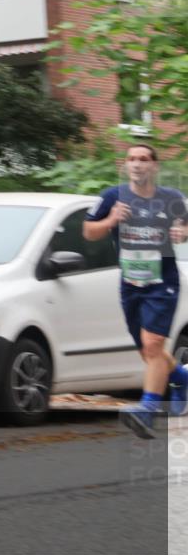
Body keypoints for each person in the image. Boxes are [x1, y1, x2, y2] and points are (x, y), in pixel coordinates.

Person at [83, 143, 188, 438]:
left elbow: (185, 224)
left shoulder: (171, 198)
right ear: (126, 165)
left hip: (163, 282)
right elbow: (88, 232)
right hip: (130, 283)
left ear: (154, 166)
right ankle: (181, 378)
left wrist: (182, 231)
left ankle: (148, 409)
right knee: (147, 352)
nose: (137, 164)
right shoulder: (111, 197)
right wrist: (111, 220)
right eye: (132, 159)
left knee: (153, 344)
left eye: (143, 159)